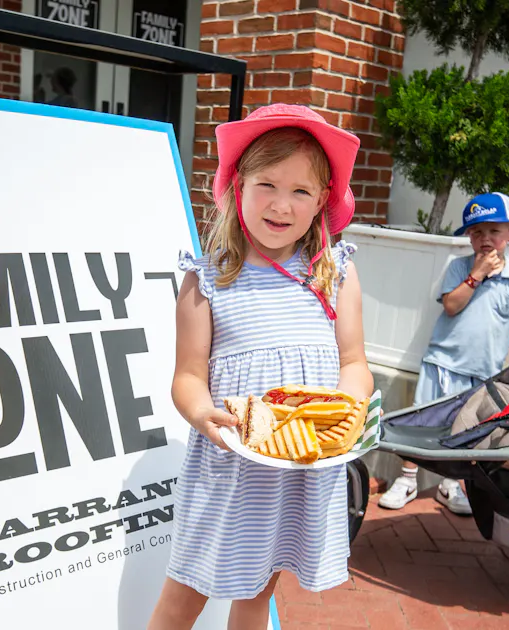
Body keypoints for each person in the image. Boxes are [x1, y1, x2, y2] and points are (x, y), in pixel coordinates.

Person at [148, 103, 372, 630]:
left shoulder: (334, 274)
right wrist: (203, 413)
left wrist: (349, 406)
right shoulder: (207, 280)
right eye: (267, 184)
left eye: (300, 191)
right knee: (187, 592)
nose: (281, 204)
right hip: (229, 471)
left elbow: (355, 363)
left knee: (259, 590)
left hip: (300, 469)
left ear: (322, 201)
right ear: (237, 186)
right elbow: (187, 376)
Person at [377, 193, 509, 515]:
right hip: (442, 362)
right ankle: (407, 478)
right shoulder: (459, 268)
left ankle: (450, 484)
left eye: (494, 231)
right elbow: (452, 306)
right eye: (477, 232)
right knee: (421, 421)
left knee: (464, 430)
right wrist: (477, 274)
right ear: (468, 236)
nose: (485, 239)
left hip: (482, 372)